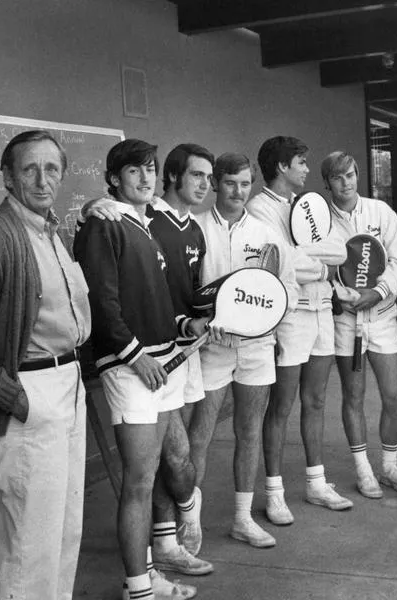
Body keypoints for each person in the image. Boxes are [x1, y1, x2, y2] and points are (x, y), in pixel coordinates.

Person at [0, 130, 91, 600]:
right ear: (8, 177)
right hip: (30, 394)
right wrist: (12, 396)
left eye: (51, 168)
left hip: (67, 386)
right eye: (29, 169)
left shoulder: (52, 232)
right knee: (29, 544)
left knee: (64, 530)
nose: (42, 179)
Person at [74, 139, 197, 600]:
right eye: (133, 172)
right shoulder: (102, 223)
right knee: (139, 483)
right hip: (132, 369)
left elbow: (153, 301)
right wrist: (133, 356)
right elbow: (100, 302)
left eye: (150, 170)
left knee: (153, 476)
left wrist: (187, 323)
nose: (145, 178)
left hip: (162, 364)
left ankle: (148, 575)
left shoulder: (142, 225)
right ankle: (139, 588)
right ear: (113, 179)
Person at [193, 152, 298, 547]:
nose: (238, 192)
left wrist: (267, 325)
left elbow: (285, 288)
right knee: (199, 435)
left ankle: (242, 518)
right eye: (231, 183)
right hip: (211, 347)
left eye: (245, 184)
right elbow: (187, 291)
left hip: (257, 348)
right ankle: (191, 522)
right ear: (216, 183)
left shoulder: (266, 233)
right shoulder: (196, 228)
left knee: (249, 432)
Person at [246, 136, 352, 526]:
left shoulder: (305, 206)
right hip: (290, 317)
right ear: (280, 168)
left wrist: (314, 262)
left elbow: (341, 251)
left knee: (317, 401)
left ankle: (316, 483)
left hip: (323, 309)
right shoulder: (259, 209)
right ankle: (274, 493)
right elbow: (286, 264)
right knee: (281, 407)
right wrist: (317, 264)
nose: (308, 169)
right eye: (301, 162)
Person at [321, 151, 397, 498]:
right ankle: (363, 470)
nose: (347, 182)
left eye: (351, 174)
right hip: (345, 322)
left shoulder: (380, 212)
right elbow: (315, 265)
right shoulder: (319, 221)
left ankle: (389, 465)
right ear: (327, 182)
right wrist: (336, 295)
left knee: (394, 396)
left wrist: (378, 292)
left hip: (382, 317)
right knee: (353, 396)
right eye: (338, 177)